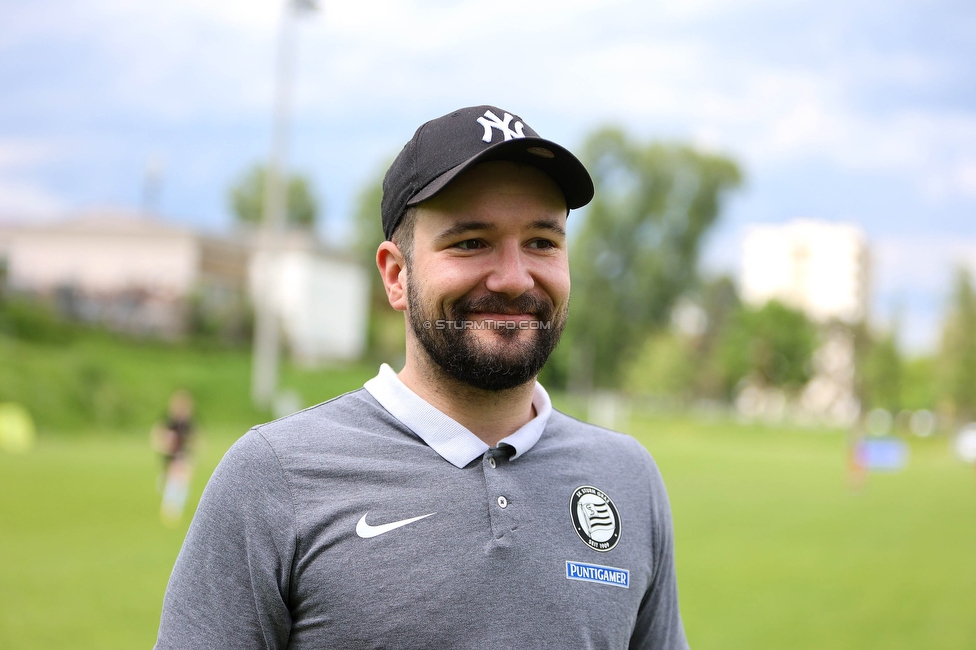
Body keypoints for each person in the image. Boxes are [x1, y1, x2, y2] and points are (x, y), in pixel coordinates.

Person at [155, 105, 689, 649]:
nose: (512, 277)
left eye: (541, 242)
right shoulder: (274, 477)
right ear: (396, 275)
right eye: (470, 242)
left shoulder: (629, 478)